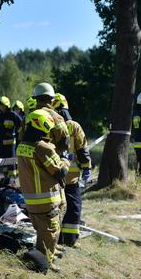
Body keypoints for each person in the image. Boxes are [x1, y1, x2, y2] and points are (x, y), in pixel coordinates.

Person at [17, 109, 70, 268]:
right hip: (47, 199)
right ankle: (43, 263)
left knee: (42, 232)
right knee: (50, 233)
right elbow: (60, 171)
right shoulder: (43, 148)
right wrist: (66, 160)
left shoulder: (21, 146)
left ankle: (43, 258)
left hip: (32, 200)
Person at [53, 93, 91, 246]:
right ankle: (70, 240)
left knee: (57, 208)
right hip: (71, 178)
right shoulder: (74, 126)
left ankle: (59, 238)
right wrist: (86, 167)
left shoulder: (49, 126)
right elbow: (82, 149)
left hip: (54, 177)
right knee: (73, 207)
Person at [32, 83, 70, 155]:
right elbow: (65, 143)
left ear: (35, 99)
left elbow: (21, 138)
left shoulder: (28, 117)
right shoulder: (56, 117)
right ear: (51, 99)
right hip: (49, 161)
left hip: (30, 161)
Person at [0, 96, 23, 181]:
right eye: (0, 106)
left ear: (7, 106)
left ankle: (13, 180)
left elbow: (21, 125)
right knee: (4, 162)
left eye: (3, 105)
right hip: (2, 144)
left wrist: (17, 134)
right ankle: (6, 178)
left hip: (11, 144)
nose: (1, 107)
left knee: (12, 162)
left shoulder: (13, 115)